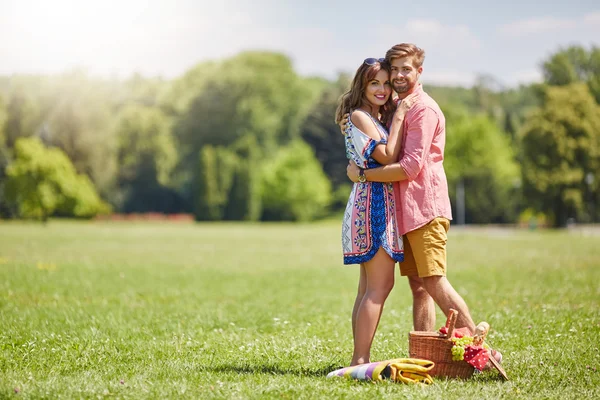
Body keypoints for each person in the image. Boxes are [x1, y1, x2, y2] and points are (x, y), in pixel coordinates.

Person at [345, 43, 502, 364]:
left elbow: (410, 166)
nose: (397, 79)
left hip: (424, 209)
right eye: (392, 72)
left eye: (405, 70)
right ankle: (423, 354)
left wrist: (361, 174)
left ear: (419, 71)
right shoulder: (390, 111)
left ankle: (482, 350)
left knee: (432, 279)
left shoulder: (422, 109)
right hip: (400, 211)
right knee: (418, 286)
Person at [335, 57, 416, 366]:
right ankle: (359, 360)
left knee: (369, 287)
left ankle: (358, 358)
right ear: (362, 86)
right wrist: (398, 120)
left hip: (369, 198)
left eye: (385, 83)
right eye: (374, 83)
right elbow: (385, 155)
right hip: (374, 204)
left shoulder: (367, 116)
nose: (382, 89)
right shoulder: (361, 116)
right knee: (379, 287)